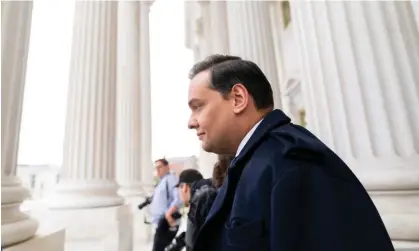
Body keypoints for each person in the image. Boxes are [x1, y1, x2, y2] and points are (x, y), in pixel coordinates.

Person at [187, 54, 395, 251]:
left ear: (238, 98)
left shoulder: (292, 161)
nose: (191, 122)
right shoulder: (257, 162)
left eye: (198, 107)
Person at [175, 169, 217, 251]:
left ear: (184, 187)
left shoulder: (200, 196)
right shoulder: (212, 188)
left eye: (178, 189)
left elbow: (192, 243)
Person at [150, 158, 183, 251]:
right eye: (155, 168)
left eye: (160, 167)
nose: (157, 170)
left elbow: (179, 198)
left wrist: (168, 214)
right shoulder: (162, 181)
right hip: (161, 222)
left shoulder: (171, 179)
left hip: (167, 221)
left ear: (167, 167)